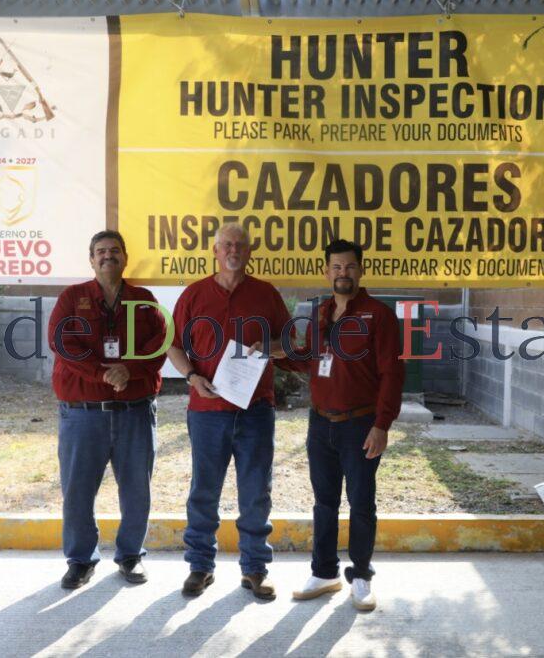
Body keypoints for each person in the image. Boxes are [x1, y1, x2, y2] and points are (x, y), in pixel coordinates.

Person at [166, 223, 292, 600]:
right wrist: (192, 377)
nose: (233, 250)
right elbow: (173, 345)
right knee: (203, 491)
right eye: (226, 245)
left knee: (256, 492)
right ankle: (200, 566)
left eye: (239, 245)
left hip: (255, 410)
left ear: (249, 251)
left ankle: (255, 568)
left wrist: (268, 347)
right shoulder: (194, 295)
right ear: (215, 251)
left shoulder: (266, 294)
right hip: (207, 410)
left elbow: (290, 342)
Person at [47, 230, 168, 589]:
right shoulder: (72, 298)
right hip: (82, 414)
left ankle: (131, 556)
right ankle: (80, 560)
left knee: (136, 490)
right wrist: (103, 373)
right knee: (78, 491)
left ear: (125, 258)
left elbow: (160, 342)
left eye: (114, 250)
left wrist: (129, 369)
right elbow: (61, 342)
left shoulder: (144, 301)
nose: (107, 256)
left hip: (135, 412)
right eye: (100, 251)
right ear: (91, 259)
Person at [288, 239, 405, 611]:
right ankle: (324, 573)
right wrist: (272, 354)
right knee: (324, 503)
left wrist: (382, 425)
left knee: (361, 503)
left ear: (361, 270)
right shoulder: (321, 313)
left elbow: (392, 375)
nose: (343, 273)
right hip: (320, 424)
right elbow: (310, 360)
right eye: (337, 267)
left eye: (350, 267)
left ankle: (362, 576)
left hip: (360, 425)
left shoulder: (378, 315)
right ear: (327, 272)